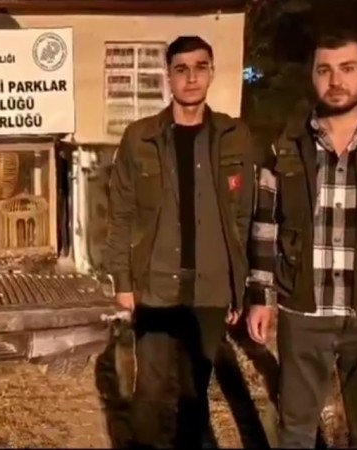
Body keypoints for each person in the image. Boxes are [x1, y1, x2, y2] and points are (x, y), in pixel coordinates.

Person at [105, 35, 258, 447]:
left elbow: (243, 216)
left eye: (200, 67)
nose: (191, 77)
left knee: (194, 391)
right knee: (151, 392)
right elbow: (120, 213)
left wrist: (238, 286)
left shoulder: (235, 136)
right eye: (181, 69)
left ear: (211, 72)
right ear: (168, 77)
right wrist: (122, 281)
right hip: (156, 283)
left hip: (210, 286)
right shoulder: (140, 137)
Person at [246, 29, 357, 448]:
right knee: (296, 433)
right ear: (312, 75)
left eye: (347, 68)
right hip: (303, 311)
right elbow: (264, 225)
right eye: (325, 70)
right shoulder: (285, 145)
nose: (336, 80)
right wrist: (260, 296)